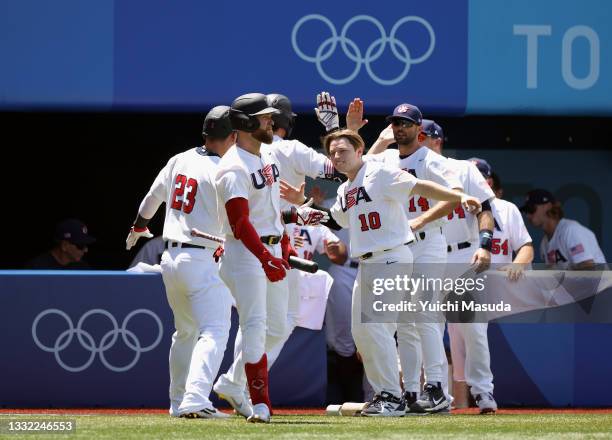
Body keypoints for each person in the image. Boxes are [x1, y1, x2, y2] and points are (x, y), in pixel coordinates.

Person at [288, 129, 480, 416]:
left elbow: (419, 187)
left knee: (378, 326)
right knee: (361, 332)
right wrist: (304, 205)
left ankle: (392, 395)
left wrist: (457, 196)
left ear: (360, 149)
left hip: (391, 257)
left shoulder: (379, 172)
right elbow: (337, 220)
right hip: (368, 263)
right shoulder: (345, 190)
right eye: (332, 153)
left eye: (342, 150)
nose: (337, 156)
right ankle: (385, 395)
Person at [212, 93, 327, 423]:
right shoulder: (232, 167)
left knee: (279, 324)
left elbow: (272, 212)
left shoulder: (266, 157)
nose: (270, 122)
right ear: (246, 123)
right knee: (256, 325)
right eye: (263, 118)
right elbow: (239, 222)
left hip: (272, 248)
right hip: (246, 253)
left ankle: (233, 384)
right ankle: (260, 403)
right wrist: (265, 257)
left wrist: (297, 221)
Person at [124, 105, 236, 419]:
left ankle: (177, 402)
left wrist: (138, 226)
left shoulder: (180, 158)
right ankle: (196, 399)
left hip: (171, 257)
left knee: (185, 331)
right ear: (231, 136)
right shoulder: (225, 168)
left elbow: (151, 198)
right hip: (201, 256)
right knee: (214, 330)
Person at [366, 104, 463, 414]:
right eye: (396, 122)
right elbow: (358, 170)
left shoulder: (432, 160)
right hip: (402, 246)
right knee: (404, 322)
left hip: (428, 242)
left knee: (426, 315)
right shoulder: (387, 159)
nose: (400, 128)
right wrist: (380, 141)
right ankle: (410, 389)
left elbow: (455, 196)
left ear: (419, 129)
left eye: (406, 123)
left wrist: (419, 222)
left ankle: (437, 388)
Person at [419, 120, 499, 414]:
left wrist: (484, 245)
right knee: (427, 327)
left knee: (474, 328)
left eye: (422, 136)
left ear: (436, 140)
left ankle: (483, 392)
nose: (417, 140)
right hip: (427, 253)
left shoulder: (463, 169)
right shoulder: (411, 171)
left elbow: (486, 208)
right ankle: (438, 391)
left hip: (462, 253)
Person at [521, 189, 606, 269]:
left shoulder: (570, 230)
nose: (528, 215)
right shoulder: (544, 244)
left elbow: (589, 268)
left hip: (602, 284)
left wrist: (560, 273)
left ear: (548, 206)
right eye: (526, 211)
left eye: (531, 209)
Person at [25, 218, 95, 269]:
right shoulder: (36, 268)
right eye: (81, 245)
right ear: (64, 246)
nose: (86, 250)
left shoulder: (83, 269)